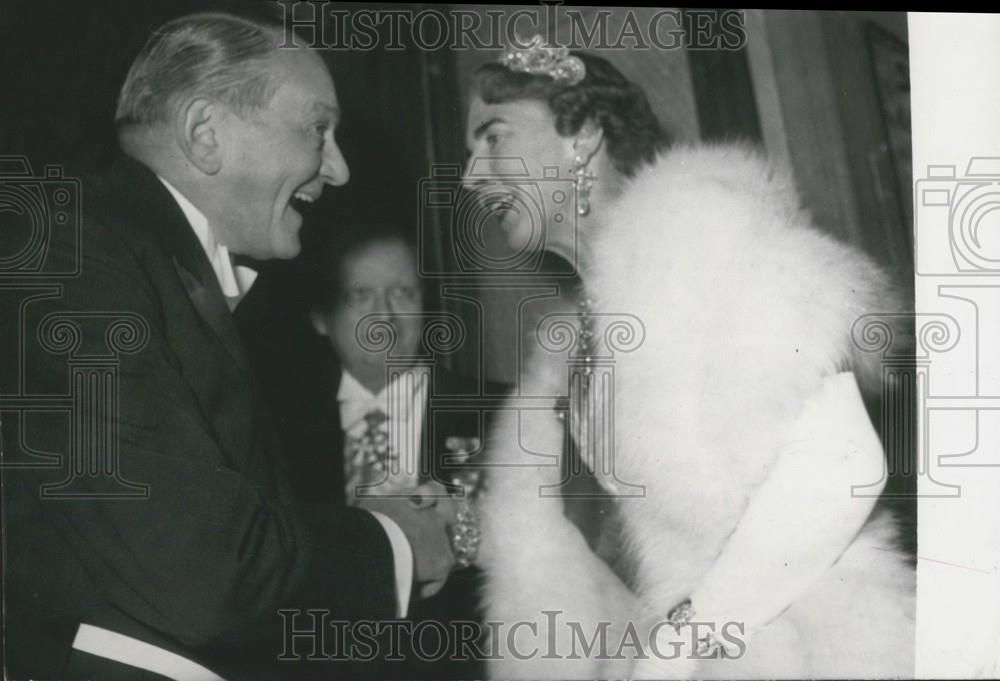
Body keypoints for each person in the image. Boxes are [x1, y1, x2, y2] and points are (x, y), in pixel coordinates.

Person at [1, 12, 458, 680]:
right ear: (205, 133)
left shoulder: (141, 265)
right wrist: (398, 541)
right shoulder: (76, 262)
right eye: (317, 129)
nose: (339, 168)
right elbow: (199, 566)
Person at [463, 38, 915, 678]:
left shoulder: (708, 232)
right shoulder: (580, 338)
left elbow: (843, 468)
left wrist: (689, 637)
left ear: (582, 136)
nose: (470, 175)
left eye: (493, 136)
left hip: (814, 649)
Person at [248, 222, 504, 679]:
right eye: (360, 295)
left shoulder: (500, 415)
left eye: (402, 293)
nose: (384, 316)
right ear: (321, 317)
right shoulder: (273, 430)